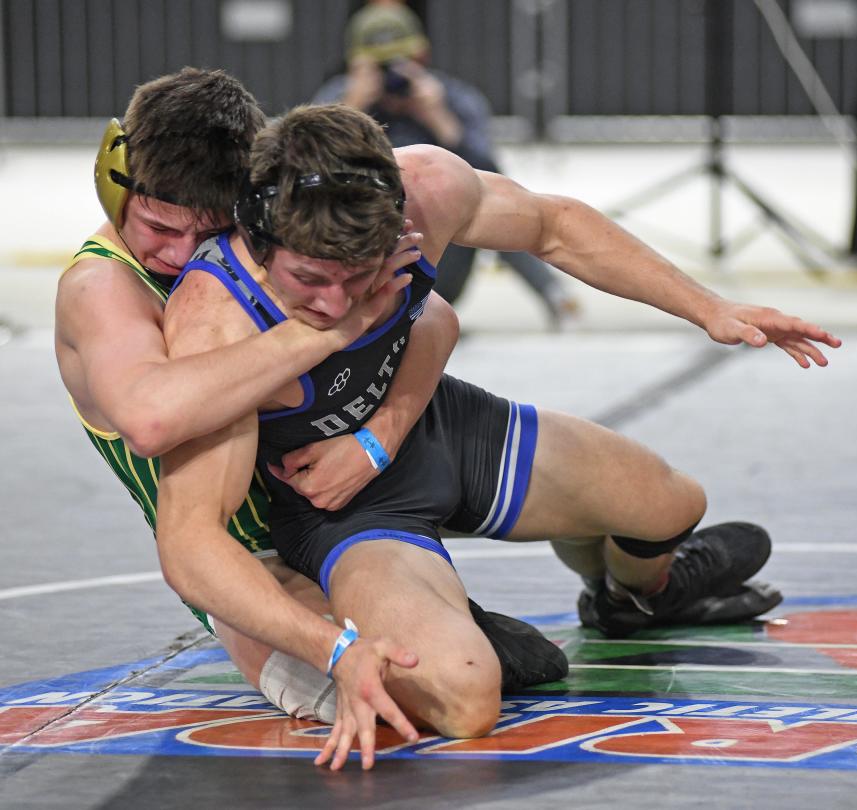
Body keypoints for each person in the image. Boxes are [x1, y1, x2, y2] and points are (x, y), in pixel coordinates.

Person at [156, 102, 840, 769]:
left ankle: (632, 597)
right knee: (465, 698)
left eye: (359, 277)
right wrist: (330, 648)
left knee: (670, 505)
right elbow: (188, 545)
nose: (334, 301)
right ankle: (460, 625)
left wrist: (710, 308)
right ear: (260, 234)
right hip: (347, 508)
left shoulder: (424, 186)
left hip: (432, 424)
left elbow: (556, 226)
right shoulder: (217, 317)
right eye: (308, 280)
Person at [53, 68, 562, 746]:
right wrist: (329, 329)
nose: (178, 255)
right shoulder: (103, 289)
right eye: (157, 226)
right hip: (244, 563)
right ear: (111, 177)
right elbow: (150, 418)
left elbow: (434, 315)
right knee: (424, 703)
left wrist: (379, 428)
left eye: (206, 230)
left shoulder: (258, 249)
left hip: (346, 502)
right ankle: (442, 624)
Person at [313, 0, 580, 328]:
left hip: (437, 261)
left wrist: (441, 122)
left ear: (421, 56)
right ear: (356, 63)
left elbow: (490, 176)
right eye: (380, 66)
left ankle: (553, 294)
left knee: (487, 196)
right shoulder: (336, 101)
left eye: (399, 63)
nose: (391, 77)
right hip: (357, 256)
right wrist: (351, 111)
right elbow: (296, 173)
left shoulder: (452, 98)